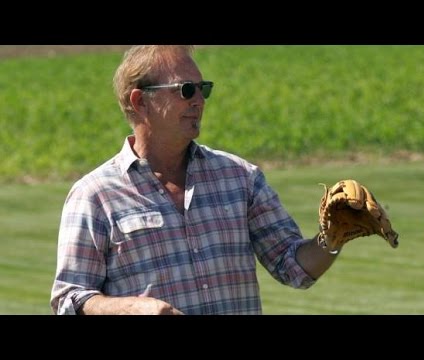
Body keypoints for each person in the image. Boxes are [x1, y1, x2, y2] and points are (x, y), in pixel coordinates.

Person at [50, 45, 340, 315]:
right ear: (140, 101)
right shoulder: (95, 195)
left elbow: (293, 268)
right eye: (186, 90)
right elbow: (69, 298)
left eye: (204, 89)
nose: (199, 101)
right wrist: (131, 308)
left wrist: (333, 236)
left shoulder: (241, 178)